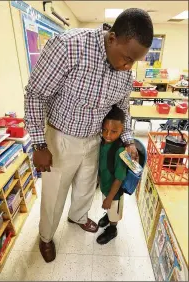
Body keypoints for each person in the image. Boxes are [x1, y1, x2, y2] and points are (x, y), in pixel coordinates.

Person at [24, 8, 153, 263]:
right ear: (112, 37)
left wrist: (127, 139)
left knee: (85, 187)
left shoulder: (125, 69)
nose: (128, 66)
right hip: (61, 138)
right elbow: (35, 94)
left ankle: (78, 217)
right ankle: (46, 236)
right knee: (55, 193)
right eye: (126, 59)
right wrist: (39, 143)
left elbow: (123, 107)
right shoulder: (69, 46)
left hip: (96, 139)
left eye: (133, 63)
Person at [97, 106, 127, 245]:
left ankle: (113, 228)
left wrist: (109, 198)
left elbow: (119, 178)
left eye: (114, 131)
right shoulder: (103, 142)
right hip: (105, 187)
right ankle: (108, 216)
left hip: (114, 193)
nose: (108, 135)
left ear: (122, 130)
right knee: (108, 208)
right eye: (105, 130)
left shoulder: (120, 151)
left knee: (113, 209)